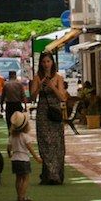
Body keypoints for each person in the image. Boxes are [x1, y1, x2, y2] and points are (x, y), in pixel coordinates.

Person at [35, 52, 69, 185]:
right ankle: (49, 173)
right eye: (43, 62)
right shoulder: (37, 77)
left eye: (48, 61)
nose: (46, 64)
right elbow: (32, 97)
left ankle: (56, 174)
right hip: (42, 111)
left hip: (54, 111)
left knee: (56, 142)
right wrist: (39, 86)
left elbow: (62, 97)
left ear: (52, 63)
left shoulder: (58, 78)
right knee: (45, 141)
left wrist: (51, 86)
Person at [8, 108, 36, 200]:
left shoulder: (12, 137)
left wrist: (9, 154)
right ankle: (22, 196)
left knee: (18, 178)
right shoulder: (25, 137)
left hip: (15, 159)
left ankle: (18, 195)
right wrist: (37, 158)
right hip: (24, 159)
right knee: (25, 178)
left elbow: (8, 148)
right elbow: (30, 149)